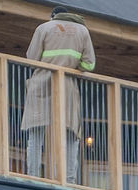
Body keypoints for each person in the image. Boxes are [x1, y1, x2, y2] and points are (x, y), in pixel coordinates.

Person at [18, 9, 95, 179]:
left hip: (41, 82)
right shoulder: (83, 31)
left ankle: (33, 175)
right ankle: (69, 178)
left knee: (36, 131)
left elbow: (31, 58)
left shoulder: (44, 28)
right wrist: (74, 67)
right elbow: (89, 65)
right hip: (67, 84)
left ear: (52, 16)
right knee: (71, 132)